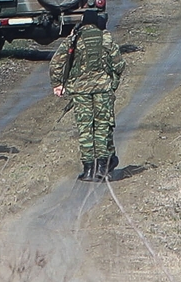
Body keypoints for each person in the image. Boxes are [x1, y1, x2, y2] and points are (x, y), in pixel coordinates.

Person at [50, 11, 125, 182]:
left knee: (85, 128)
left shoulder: (74, 39)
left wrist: (57, 84)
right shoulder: (106, 38)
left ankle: (88, 169)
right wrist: (112, 83)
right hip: (103, 89)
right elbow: (119, 64)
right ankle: (102, 167)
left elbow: (56, 62)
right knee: (102, 127)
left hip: (80, 91)